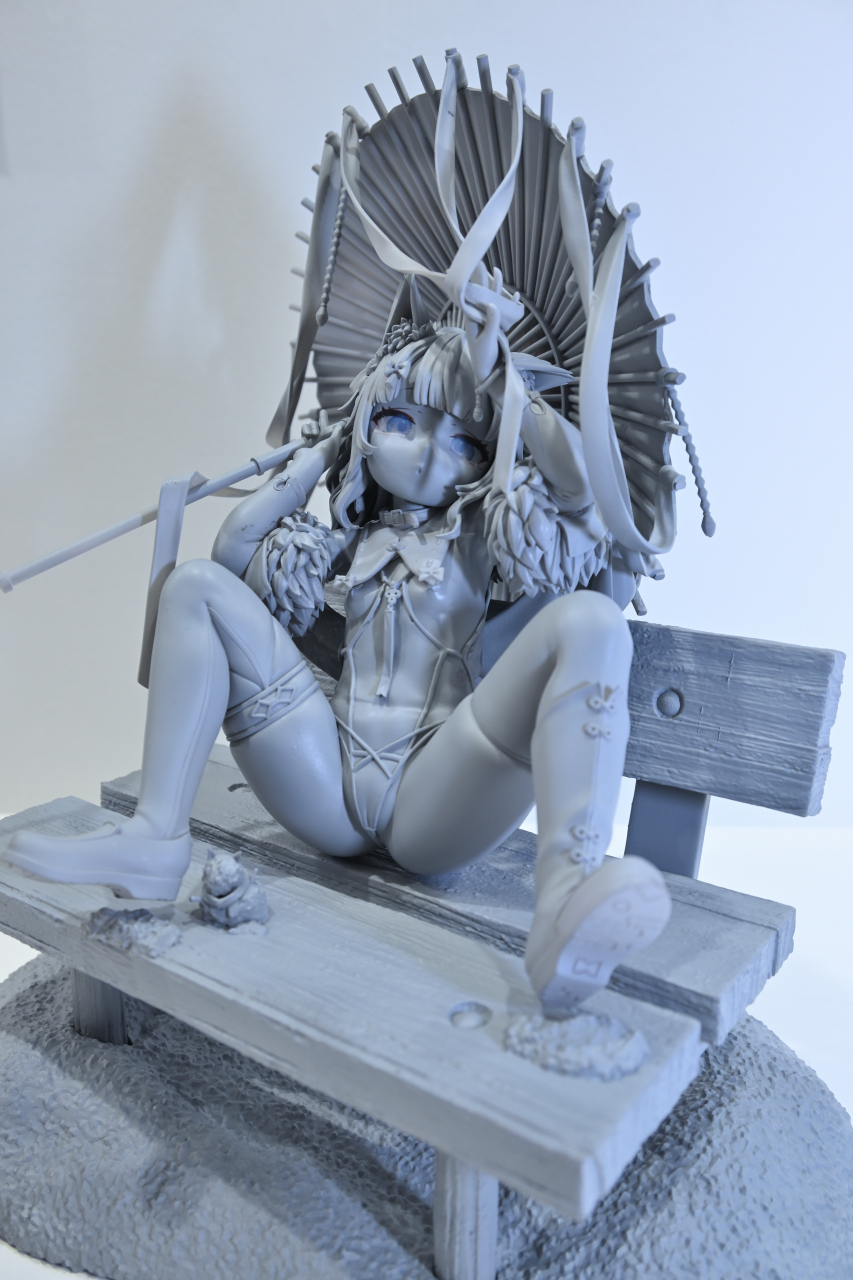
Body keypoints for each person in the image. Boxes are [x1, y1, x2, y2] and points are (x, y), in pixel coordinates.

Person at [8, 303, 671, 1018]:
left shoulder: (483, 537)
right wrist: (320, 455)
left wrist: (502, 376)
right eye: (400, 420)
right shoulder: (353, 539)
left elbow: (578, 488)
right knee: (195, 587)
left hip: (436, 800)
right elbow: (234, 547)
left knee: (593, 622)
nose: (427, 453)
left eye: (463, 440)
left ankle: (566, 904)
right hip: (324, 783)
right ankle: (154, 840)